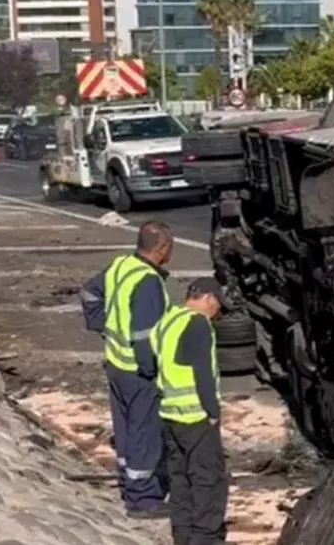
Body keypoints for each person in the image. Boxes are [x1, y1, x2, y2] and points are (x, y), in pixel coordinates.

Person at [80, 222, 175, 518]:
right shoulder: (147, 282)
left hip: (116, 365)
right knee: (143, 434)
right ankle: (143, 499)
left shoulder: (121, 266)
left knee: (125, 431)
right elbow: (145, 334)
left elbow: (88, 292)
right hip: (137, 371)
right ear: (162, 249)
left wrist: (102, 324)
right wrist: (152, 371)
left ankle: (128, 483)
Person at [152, 278, 228, 545]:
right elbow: (202, 373)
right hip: (195, 416)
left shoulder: (168, 321)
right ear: (208, 298)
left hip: (170, 414)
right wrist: (213, 411)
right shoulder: (198, 325)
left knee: (180, 480)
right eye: (217, 305)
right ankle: (206, 538)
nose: (217, 312)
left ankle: (182, 535)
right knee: (209, 481)